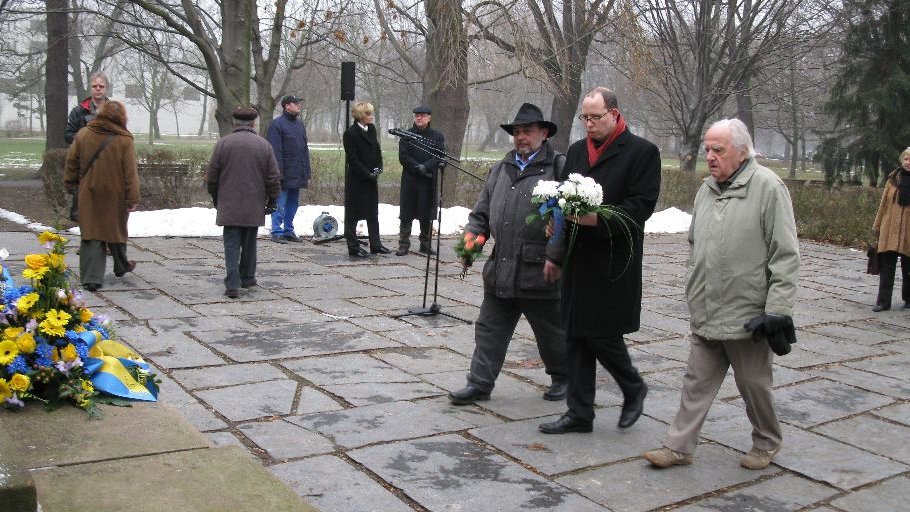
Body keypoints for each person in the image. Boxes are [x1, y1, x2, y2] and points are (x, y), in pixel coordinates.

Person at [643, 118, 799, 471]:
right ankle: (679, 446)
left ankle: (767, 442)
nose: (710, 157)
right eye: (707, 149)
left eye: (718, 150)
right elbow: (696, 243)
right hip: (707, 306)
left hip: (749, 313)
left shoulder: (768, 188)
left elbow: (786, 255)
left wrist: (778, 309)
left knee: (753, 385)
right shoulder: (706, 189)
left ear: (742, 153)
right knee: (695, 383)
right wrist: (693, 284)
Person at [538, 87, 660, 434]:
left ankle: (633, 386)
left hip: (613, 260)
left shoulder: (642, 153)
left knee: (601, 334)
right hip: (578, 258)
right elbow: (562, 198)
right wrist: (554, 231)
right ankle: (579, 413)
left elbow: (641, 207)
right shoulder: (576, 152)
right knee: (575, 334)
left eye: (595, 117)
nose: (589, 124)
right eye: (585, 118)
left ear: (615, 115)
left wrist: (598, 219)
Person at [449, 103, 569, 406]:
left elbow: (566, 218)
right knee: (489, 330)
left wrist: (555, 254)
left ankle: (565, 378)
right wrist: (469, 247)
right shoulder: (500, 169)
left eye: (527, 131)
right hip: (500, 267)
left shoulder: (558, 167)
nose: (521, 137)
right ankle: (479, 383)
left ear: (543, 133)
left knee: (551, 333)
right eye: (517, 132)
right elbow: (481, 214)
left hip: (539, 270)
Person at [206, 106, 282, 299]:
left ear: (234, 123)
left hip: (229, 204)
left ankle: (232, 283)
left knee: (231, 244)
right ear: (253, 123)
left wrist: (217, 199)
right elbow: (273, 178)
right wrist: (272, 200)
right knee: (249, 242)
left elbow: (212, 178)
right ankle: (247, 277)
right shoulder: (264, 146)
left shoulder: (223, 144)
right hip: (254, 204)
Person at [63, 101, 139, 292]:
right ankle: (122, 265)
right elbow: (130, 173)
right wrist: (132, 198)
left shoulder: (84, 134)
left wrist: (71, 184)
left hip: (89, 192)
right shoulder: (124, 140)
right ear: (122, 117)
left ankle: (91, 278)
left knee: (92, 233)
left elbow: (72, 161)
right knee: (116, 230)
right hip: (116, 194)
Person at [396, 106, 446, 256]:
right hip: (411, 178)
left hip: (428, 179)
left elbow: (439, 155)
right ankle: (404, 244)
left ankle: (425, 243)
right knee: (407, 212)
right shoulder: (407, 135)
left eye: (423, 116)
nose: (419, 118)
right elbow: (403, 156)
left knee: (427, 211)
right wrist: (417, 167)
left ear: (429, 118)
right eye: (417, 115)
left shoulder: (437, 136)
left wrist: (426, 166)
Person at [342, 101, 390, 257]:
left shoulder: (372, 129)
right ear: (361, 116)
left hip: (371, 178)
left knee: (372, 213)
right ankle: (353, 246)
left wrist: (378, 167)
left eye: (371, 113)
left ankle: (376, 244)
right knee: (353, 214)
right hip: (357, 179)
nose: (371, 116)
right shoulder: (350, 133)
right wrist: (366, 174)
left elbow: (377, 150)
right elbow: (353, 159)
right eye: (368, 114)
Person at [267, 95, 312, 244]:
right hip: (284, 173)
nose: (299, 106)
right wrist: (278, 173)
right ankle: (276, 231)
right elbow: (275, 151)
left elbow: (304, 150)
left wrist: (306, 171)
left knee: (293, 203)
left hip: (298, 172)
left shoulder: (299, 125)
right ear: (287, 106)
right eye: (296, 103)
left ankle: (288, 230)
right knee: (280, 202)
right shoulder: (277, 125)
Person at [871, 147, 910, 312]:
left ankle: (909, 300)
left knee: (909, 269)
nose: (908, 162)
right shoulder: (892, 179)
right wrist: (877, 227)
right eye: (906, 159)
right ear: (902, 160)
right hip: (890, 230)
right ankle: (883, 302)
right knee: (887, 267)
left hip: (908, 232)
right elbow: (883, 205)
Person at [66, 71, 110, 145]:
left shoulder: (115, 112)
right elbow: (68, 135)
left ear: (106, 88)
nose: (98, 89)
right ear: (90, 88)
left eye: (101, 86)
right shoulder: (78, 111)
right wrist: (87, 139)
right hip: (84, 155)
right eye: (94, 86)